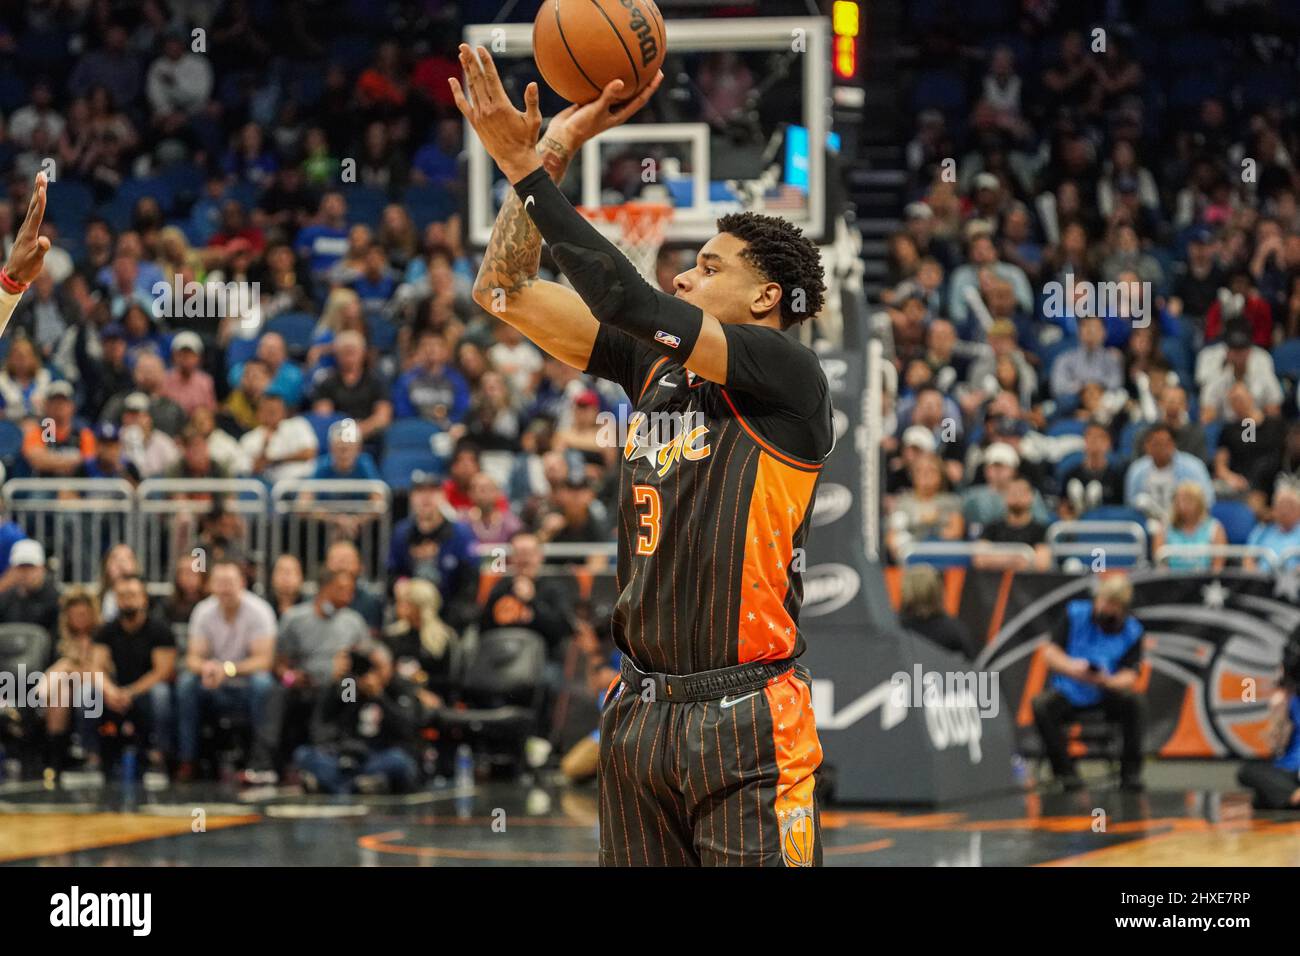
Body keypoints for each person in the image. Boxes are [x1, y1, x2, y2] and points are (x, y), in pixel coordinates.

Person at [454, 47, 829, 866]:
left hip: (749, 718)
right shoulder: (651, 365)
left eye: (707, 266)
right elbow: (502, 290)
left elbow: (626, 297)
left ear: (766, 297)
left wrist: (527, 170)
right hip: (640, 712)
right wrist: (552, 147)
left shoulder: (788, 376)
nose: (685, 277)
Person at [1031, 577, 1146, 792]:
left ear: (1122, 609)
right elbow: (1050, 652)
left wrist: (1108, 681)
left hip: (1104, 691)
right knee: (1041, 705)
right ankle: (1066, 774)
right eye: (1103, 601)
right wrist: (1073, 668)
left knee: (1134, 702)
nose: (1105, 608)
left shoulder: (1132, 630)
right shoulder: (1075, 614)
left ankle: (1130, 775)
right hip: (1071, 688)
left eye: (1112, 605)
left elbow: (1131, 674)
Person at [176, 557, 279, 783]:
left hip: (246, 684)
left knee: (264, 684)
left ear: (242, 583)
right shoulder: (203, 611)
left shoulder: (260, 611)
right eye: (219, 582)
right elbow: (192, 657)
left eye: (229, 582)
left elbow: (264, 661)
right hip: (215, 684)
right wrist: (207, 668)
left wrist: (228, 669)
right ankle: (187, 760)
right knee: (186, 684)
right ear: (210, 585)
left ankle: (261, 763)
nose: (224, 588)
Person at [266, 567, 371, 765]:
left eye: (351, 589)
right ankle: (270, 762)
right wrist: (290, 677)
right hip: (304, 684)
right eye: (342, 588)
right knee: (275, 691)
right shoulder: (295, 618)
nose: (349, 594)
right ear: (324, 589)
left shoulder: (354, 621)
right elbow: (279, 665)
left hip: (339, 686)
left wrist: (353, 668)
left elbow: (367, 659)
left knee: (351, 688)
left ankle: (344, 750)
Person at [293, 646, 421, 795]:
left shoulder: (399, 687)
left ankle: (340, 785)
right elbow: (329, 722)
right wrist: (339, 681)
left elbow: (407, 728)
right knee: (303, 754)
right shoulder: (351, 688)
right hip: (350, 758)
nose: (371, 673)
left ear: (389, 667)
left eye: (377, 668)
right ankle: (358, 785)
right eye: (368, 668)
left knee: (400, 761)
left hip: (382, 754)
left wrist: (379, 697)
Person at [95, 575, 177, 773]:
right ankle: (93, 755)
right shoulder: (105, 630)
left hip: (146, 690)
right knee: (87, 694)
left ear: (144, 599)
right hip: (116, 690)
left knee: (161, 694)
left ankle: (161, 753)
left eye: (132, 594)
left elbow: (163, 672)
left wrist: (130, 692)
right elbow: (96, 667)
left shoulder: (160, 629)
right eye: (121, 595)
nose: (127, 600)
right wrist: (110, 690)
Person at [387, 472, 480, 630]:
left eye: (433, 491)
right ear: (411, 497)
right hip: (411, 610)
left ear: (443, 496)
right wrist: (399, 584)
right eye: (420, 491)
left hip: (449, 610)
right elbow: (391, 572)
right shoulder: (402, 532)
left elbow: (469, 583)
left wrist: (448, 620)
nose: (426, 498)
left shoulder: (460, 534)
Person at [480, 530, 573, 652]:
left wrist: (532, 600)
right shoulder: (500, 589)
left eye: (529, 553)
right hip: (502, 657)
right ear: (511, 557)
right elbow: (483, 630)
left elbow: (561, 631)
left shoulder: (555, 589)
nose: (524, 560)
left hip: (545, 658)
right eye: (519, 553)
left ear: (540, 556)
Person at [1236, 636, 1300, 810]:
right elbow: (1277, 744)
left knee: (1263, 800)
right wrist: (1278, 714)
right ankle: (1293, 796)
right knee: (1248, 772)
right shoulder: (1289, 698)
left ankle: (1290, 797)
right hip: (1289, 772)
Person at [382, 576, 458, 705]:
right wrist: (415, 691)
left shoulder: (444, 638)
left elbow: (450, 680)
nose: (400, 606)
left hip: (434, 697)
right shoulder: (392, 635)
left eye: (406, 602)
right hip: (398, 695)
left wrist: (421, 678)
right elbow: (385, 674)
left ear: (420, 606)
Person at [1125, 423, 1215, 520]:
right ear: (1147, 446)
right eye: (1157, 444)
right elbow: (1130, 504)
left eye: (1166, 443)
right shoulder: (1137, 470)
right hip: (1149, 523)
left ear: (1173, 444)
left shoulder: (1193, 467)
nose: (1162, 448)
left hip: (1184, 523)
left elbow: (1207, 501)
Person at [897, 565, 973, 659]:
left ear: (905, 591)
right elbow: (968, 668)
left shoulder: (895, 629)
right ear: (938, 591)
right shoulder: (954, 632)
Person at [1153, 481, 1228, 572]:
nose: (1182, 505)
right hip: (1172, 581)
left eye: (1188, 500)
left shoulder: (1215, 528)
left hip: (1204, 581)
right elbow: (1160, 566)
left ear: (1199, 503)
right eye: (1179, 501)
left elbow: (1217, 568)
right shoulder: (1164, 528)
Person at [0, 539, 59, 638]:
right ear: (12, 570)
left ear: (42, 568)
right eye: (21, 567)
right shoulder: (4, 600)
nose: (25, 573)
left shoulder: (55, 600)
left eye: (30, 567)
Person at [1244, 485, 1300, 573]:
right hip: (1262, 580)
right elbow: (1248, 559)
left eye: (1290, 506)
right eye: (1281, 506)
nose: (1285, 511)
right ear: (1274, 510)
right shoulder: (1262, 530)